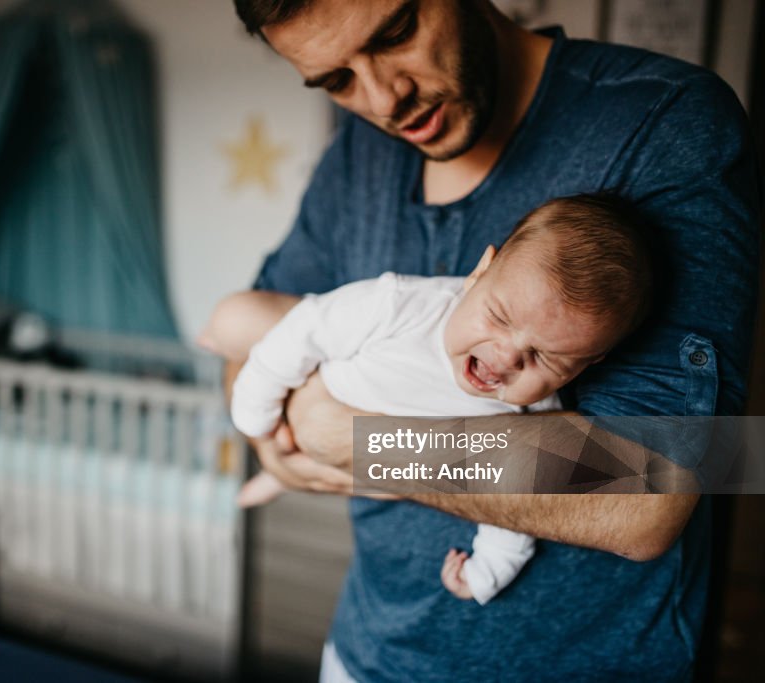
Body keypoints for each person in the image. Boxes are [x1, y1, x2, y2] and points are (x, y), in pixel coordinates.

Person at [227, 0, 760, 680]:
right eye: (336, 81)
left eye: (396, 34)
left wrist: (346, 435)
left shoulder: (665, 123)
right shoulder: (355, 159)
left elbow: (647, 494)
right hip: (367, 653)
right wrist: (272, 438)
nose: (385, 97)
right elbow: (253, 333)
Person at [203, 194, 652, 605]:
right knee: (242, 321)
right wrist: (256, 411)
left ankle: (287, 471)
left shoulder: (533, 413)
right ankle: (281, 468)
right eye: (498, 316)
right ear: (479, 273)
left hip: (378, 470)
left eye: (545, 358)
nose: (506, 357)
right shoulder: (403, 303)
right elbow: (307, 330)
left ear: (584, 366)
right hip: (330, 390)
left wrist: (489, 570)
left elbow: (518, 500)